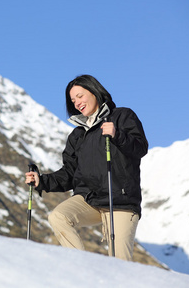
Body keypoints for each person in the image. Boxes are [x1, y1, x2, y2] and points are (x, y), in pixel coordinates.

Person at [25, 74, 148, 261]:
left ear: (94, 92)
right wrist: (41, 181)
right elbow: (69, 174)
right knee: (58, 216)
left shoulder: (122, 116)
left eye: (80, 96)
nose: (77, 103)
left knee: (120, 262)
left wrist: (117, 135)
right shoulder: (77, 135)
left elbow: (140, 148)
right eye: (73, 100)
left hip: (120, 201)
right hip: (89, 199)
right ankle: (81, 267)